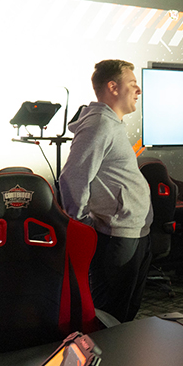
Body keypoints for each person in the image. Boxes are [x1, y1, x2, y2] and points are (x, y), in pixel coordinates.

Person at [59, 59, 153, 322]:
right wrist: (83, 226)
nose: (138, 90)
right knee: (108, 319)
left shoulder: (112, 123)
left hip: (133, 232)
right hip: (116, 236)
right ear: (113, 87)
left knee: (125, 315)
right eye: (132, 83)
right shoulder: (100, 123)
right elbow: (73, 177)